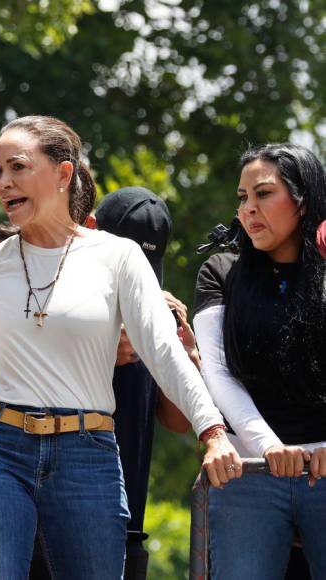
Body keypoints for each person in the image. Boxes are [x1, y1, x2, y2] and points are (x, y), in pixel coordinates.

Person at [0, 115, 240, 580]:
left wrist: (212, 432)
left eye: (17, 167)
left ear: (63, 173)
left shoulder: (119, 256)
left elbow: (162, 350)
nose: (3, 184)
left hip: (86, 450)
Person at [193, 143, 326, 579]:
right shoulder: (220, 271)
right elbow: (217, 374)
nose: (248, 209)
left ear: (304, 201)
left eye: (263, 194)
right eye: (242, 197)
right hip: (249, 473)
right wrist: (267, 448)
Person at [92, 186, 191, 580]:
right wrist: (101, 347)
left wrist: (185, 354)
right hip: (54, 511)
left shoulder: (156, 314)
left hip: (128, 518)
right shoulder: (65, 301)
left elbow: (179, 421)